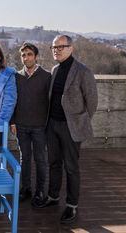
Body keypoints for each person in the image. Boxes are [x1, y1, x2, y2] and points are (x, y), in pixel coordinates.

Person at [37, 35, 98, 224]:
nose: (56, 50)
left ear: (71, 48)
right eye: (54, 47)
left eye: (61, 47)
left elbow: (92, 102)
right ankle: (53, 196)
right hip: (52, 124)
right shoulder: (54, 70)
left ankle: (71, 205)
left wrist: (79, 120)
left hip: (71, 127)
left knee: (72, 167)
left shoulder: (83, 71)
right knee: (54, 163)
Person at [10, 43, 50, 206]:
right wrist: (12, 121)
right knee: (24, 158)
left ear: (36, 56)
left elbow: (51, 101)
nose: (26, 58)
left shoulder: (46, 76)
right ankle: (25, 189)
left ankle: (40, 191)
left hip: (40, 126)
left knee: (40, 159)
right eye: (23, 55)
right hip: (21, 125)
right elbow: (12, 100)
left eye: (29, 54)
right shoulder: (17, 76)